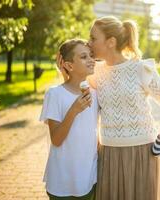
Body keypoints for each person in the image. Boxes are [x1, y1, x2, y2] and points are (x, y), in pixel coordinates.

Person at [86, 16, 160, 200]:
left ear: (110, 42)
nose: (89, 43)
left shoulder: (142, 69)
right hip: (109, 152)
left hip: (142, 152)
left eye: (93, 38)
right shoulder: (94, 72)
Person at [40, 39, 98, 200]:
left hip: (88, 177)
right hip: (61, 181)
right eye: (84, 57)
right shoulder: (55, 94)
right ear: (69, 65)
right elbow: (56, 140)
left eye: (91, 55)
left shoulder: (95, 93)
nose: (91, 60)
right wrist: (74, 110)